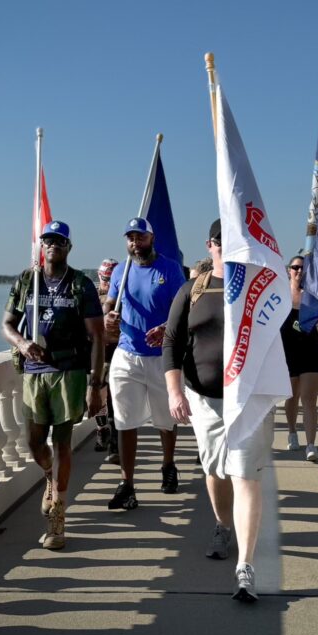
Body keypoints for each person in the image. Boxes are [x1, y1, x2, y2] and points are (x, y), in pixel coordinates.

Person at [163, 219, 274, 603]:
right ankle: (222, 524)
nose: (227, 248)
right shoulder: (192, 290)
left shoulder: (259, 289)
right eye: (220, 242)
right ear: (210, 245)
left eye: (234, 242)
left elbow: (280, 334)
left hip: (248, 401)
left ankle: (245, 565)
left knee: (245, 475)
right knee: (215, 468)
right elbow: (172, 342)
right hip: (203, 399)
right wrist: (174, 392)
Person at [2, 220, 104, 550]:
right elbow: (7, 323)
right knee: (33, 442)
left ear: (69, 247)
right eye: (47, 240)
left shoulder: (80, 284)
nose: (52, 245)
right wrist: (21, 343)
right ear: (40, 245)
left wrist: (95, 384)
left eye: (59, 241)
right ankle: (49, 475)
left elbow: (98, 336)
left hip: (69, 371)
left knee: (62, 442)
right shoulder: (26, 280)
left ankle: (57, 517)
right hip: (34, 370)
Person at [103, 217, 185, 509]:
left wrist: (166, 327)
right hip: (126, 355)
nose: (135, 244)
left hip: (161, 357)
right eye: (130, 238)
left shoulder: (170, 269)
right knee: (125, 421)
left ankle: (168, 465)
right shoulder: (119, 271)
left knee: (166, 419)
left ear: (152, 239)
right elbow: (110, 303)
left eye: (140, 238)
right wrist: (108, 315)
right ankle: (127, 484)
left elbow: (182, 308)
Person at [280, 255, 318, 462]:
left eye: (303, 268)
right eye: (295, 267)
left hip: (311, 351)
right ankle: (291, 431)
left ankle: (311, 445)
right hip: (287, 351)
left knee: (309, 399)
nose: (299, 271)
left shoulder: (314, 296)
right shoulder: (279, 294)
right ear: (289, 270)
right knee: (292, 396)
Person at [94, 258, 120, 464]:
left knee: (114, 399)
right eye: (104, 279)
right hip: (97, 353)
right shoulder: (92, 296)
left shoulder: (121, 296)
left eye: (110, 279)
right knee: (98, 395)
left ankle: (115, 443)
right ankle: (102, 429)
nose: (107, 283)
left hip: (117, 352)